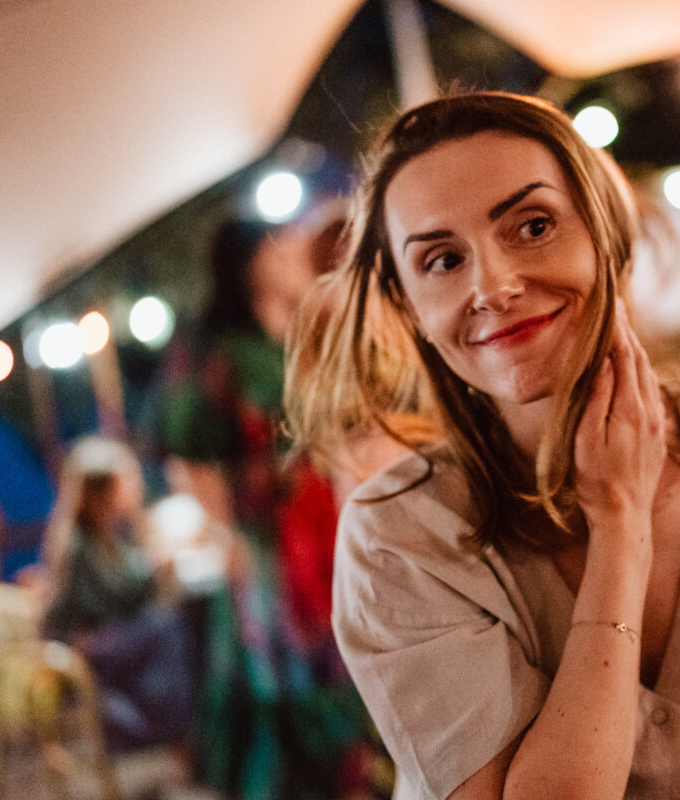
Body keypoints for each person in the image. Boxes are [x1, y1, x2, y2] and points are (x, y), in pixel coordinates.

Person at [283, 91, 680, 800]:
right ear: (408, 307)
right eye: (441, 260)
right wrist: (621, 529)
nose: (494, 285)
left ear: (604, 231)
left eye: (532, 225)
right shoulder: (396, 540)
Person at [159, 217, 391, 800]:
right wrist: (226, 536)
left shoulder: (302, 328)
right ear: (245, 261)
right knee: (288, 672)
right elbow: (186, 454)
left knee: (343, 654)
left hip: (326, 521)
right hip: (268, 538)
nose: (286, 250)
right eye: (272, 244)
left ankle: (354, 779)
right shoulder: (221, 350)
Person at [41, 435, 194, 751]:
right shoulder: (78, 544)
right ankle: (168, 730)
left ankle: (176, 728)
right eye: (127, 478)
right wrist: (157, 565)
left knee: (172, 621)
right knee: (167, 625)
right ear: (102, 491)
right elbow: (117, 598)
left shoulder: (104, 531)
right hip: (84, 654)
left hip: (106, 641)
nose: (136, 485)